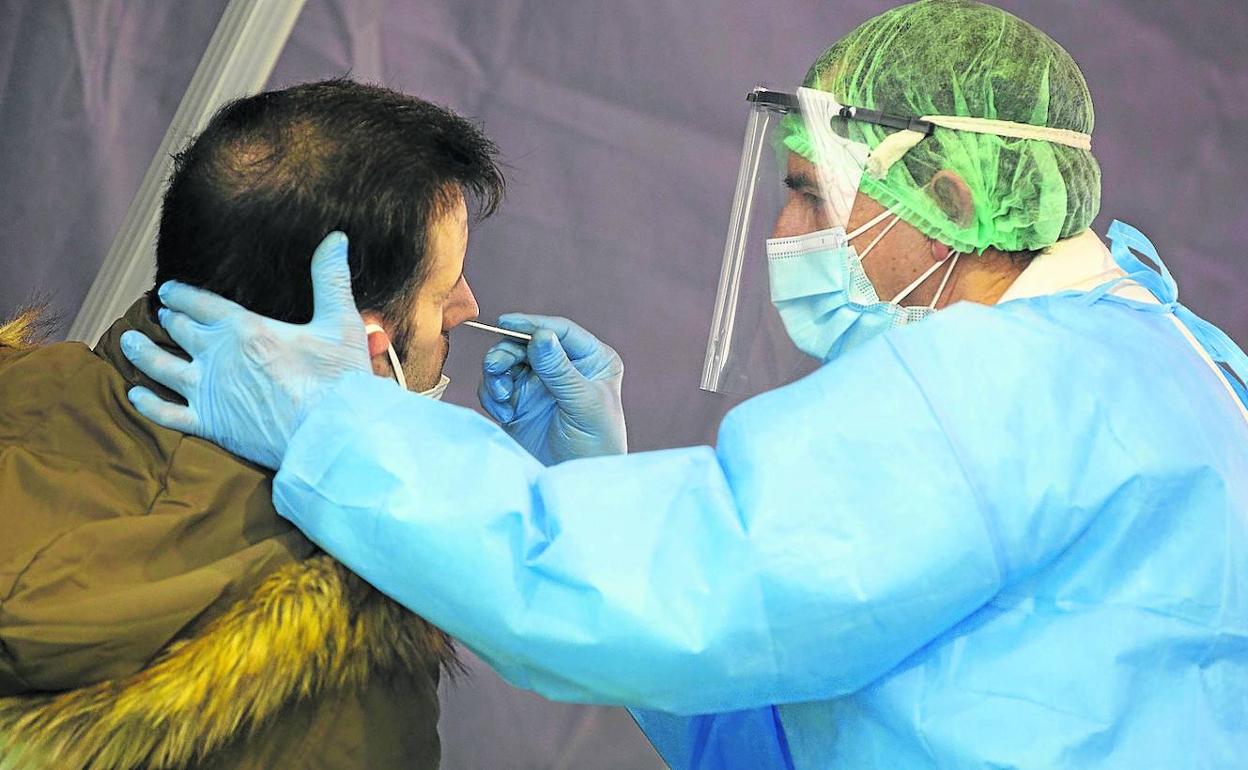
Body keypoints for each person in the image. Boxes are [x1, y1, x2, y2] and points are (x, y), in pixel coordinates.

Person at [119, 1, 1248, 768]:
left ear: (949, 193)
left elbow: (675, 608)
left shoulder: (1005, 385)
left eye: (810, 194)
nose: (784, 229)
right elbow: (800, 708)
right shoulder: (1161, 351)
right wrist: (598, 480)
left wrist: (337, 430)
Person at [0, 79, 503, 770]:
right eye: (444, 291)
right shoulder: (349, 685)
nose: (466, 309)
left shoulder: (17, 389)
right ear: (360, 343)